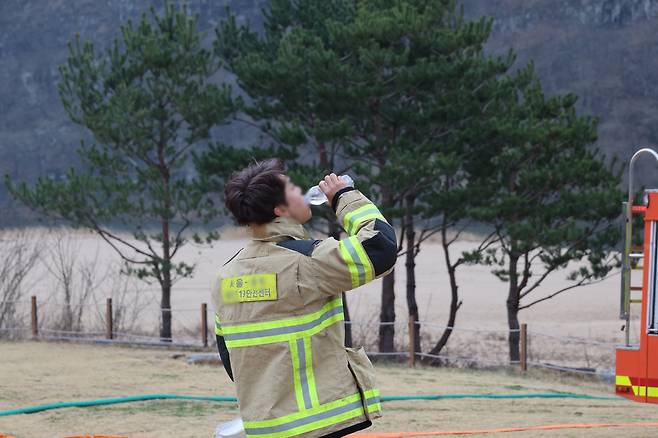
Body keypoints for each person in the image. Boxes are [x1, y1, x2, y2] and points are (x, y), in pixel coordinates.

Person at [211, 158, 397, 437]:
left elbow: (230, 355)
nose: (303, 192)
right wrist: (344, 198)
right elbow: (380, 248)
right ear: (280, 209)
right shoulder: (307, 261)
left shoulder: (226, 276)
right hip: (317, 425)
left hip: (265, 427)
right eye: (294, 190)